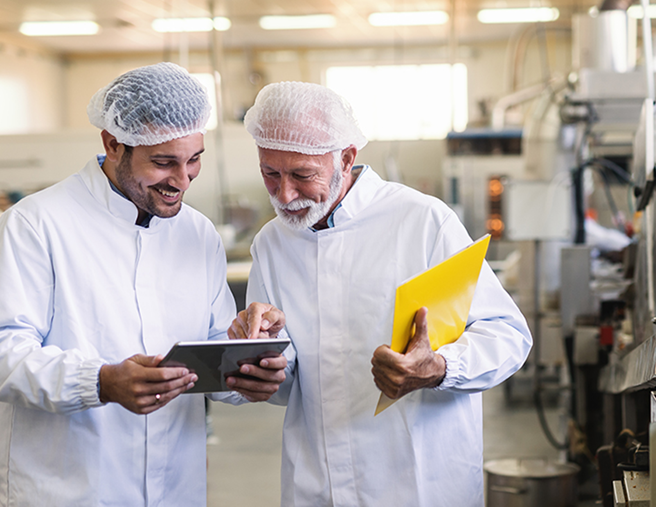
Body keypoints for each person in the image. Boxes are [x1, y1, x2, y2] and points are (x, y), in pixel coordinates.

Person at [230, 81, 533, 506]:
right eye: (270, 174)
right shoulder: (272, 243)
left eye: (302, 175)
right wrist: (264, 362)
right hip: (317, 485)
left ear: (346, 158)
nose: (285, 195)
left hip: (419, 485)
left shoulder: (422, 222)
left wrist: (440, 368)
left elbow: (508, 335)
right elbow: (288, 384)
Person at [0, 62, 286, 506]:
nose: (182, 180)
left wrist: (247, 366)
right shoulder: (36, 225)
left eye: (194, 160)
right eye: (163, 162)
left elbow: (210, 350)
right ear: (113, 144)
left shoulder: (198, 233)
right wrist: (100, 382)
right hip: (70, 490)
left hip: (176, 489)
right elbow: (6, 352)